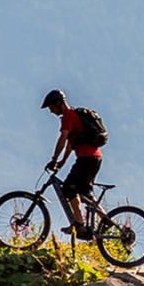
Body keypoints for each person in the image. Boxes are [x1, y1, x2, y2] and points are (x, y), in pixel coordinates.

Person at [42, 89, 107, 238]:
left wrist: (53, 159)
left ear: (59, 103)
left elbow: (63, 139)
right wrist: (61, 163)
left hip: (87, 159)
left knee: (69, 188)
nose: (51, 111)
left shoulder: (68, 117)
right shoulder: (74, 117)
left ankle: (79, 225)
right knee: (83, 192)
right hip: (92, 158)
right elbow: (70, 145)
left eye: (51, 107)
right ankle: (104, 220)